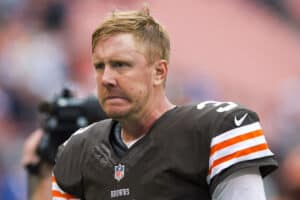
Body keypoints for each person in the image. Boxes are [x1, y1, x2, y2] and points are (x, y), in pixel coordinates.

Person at [52, 5, 278, 200]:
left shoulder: (215, 130)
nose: (107, 79)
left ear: (159, 72)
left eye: (121, 65)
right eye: (100, 66)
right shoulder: (77, 150)